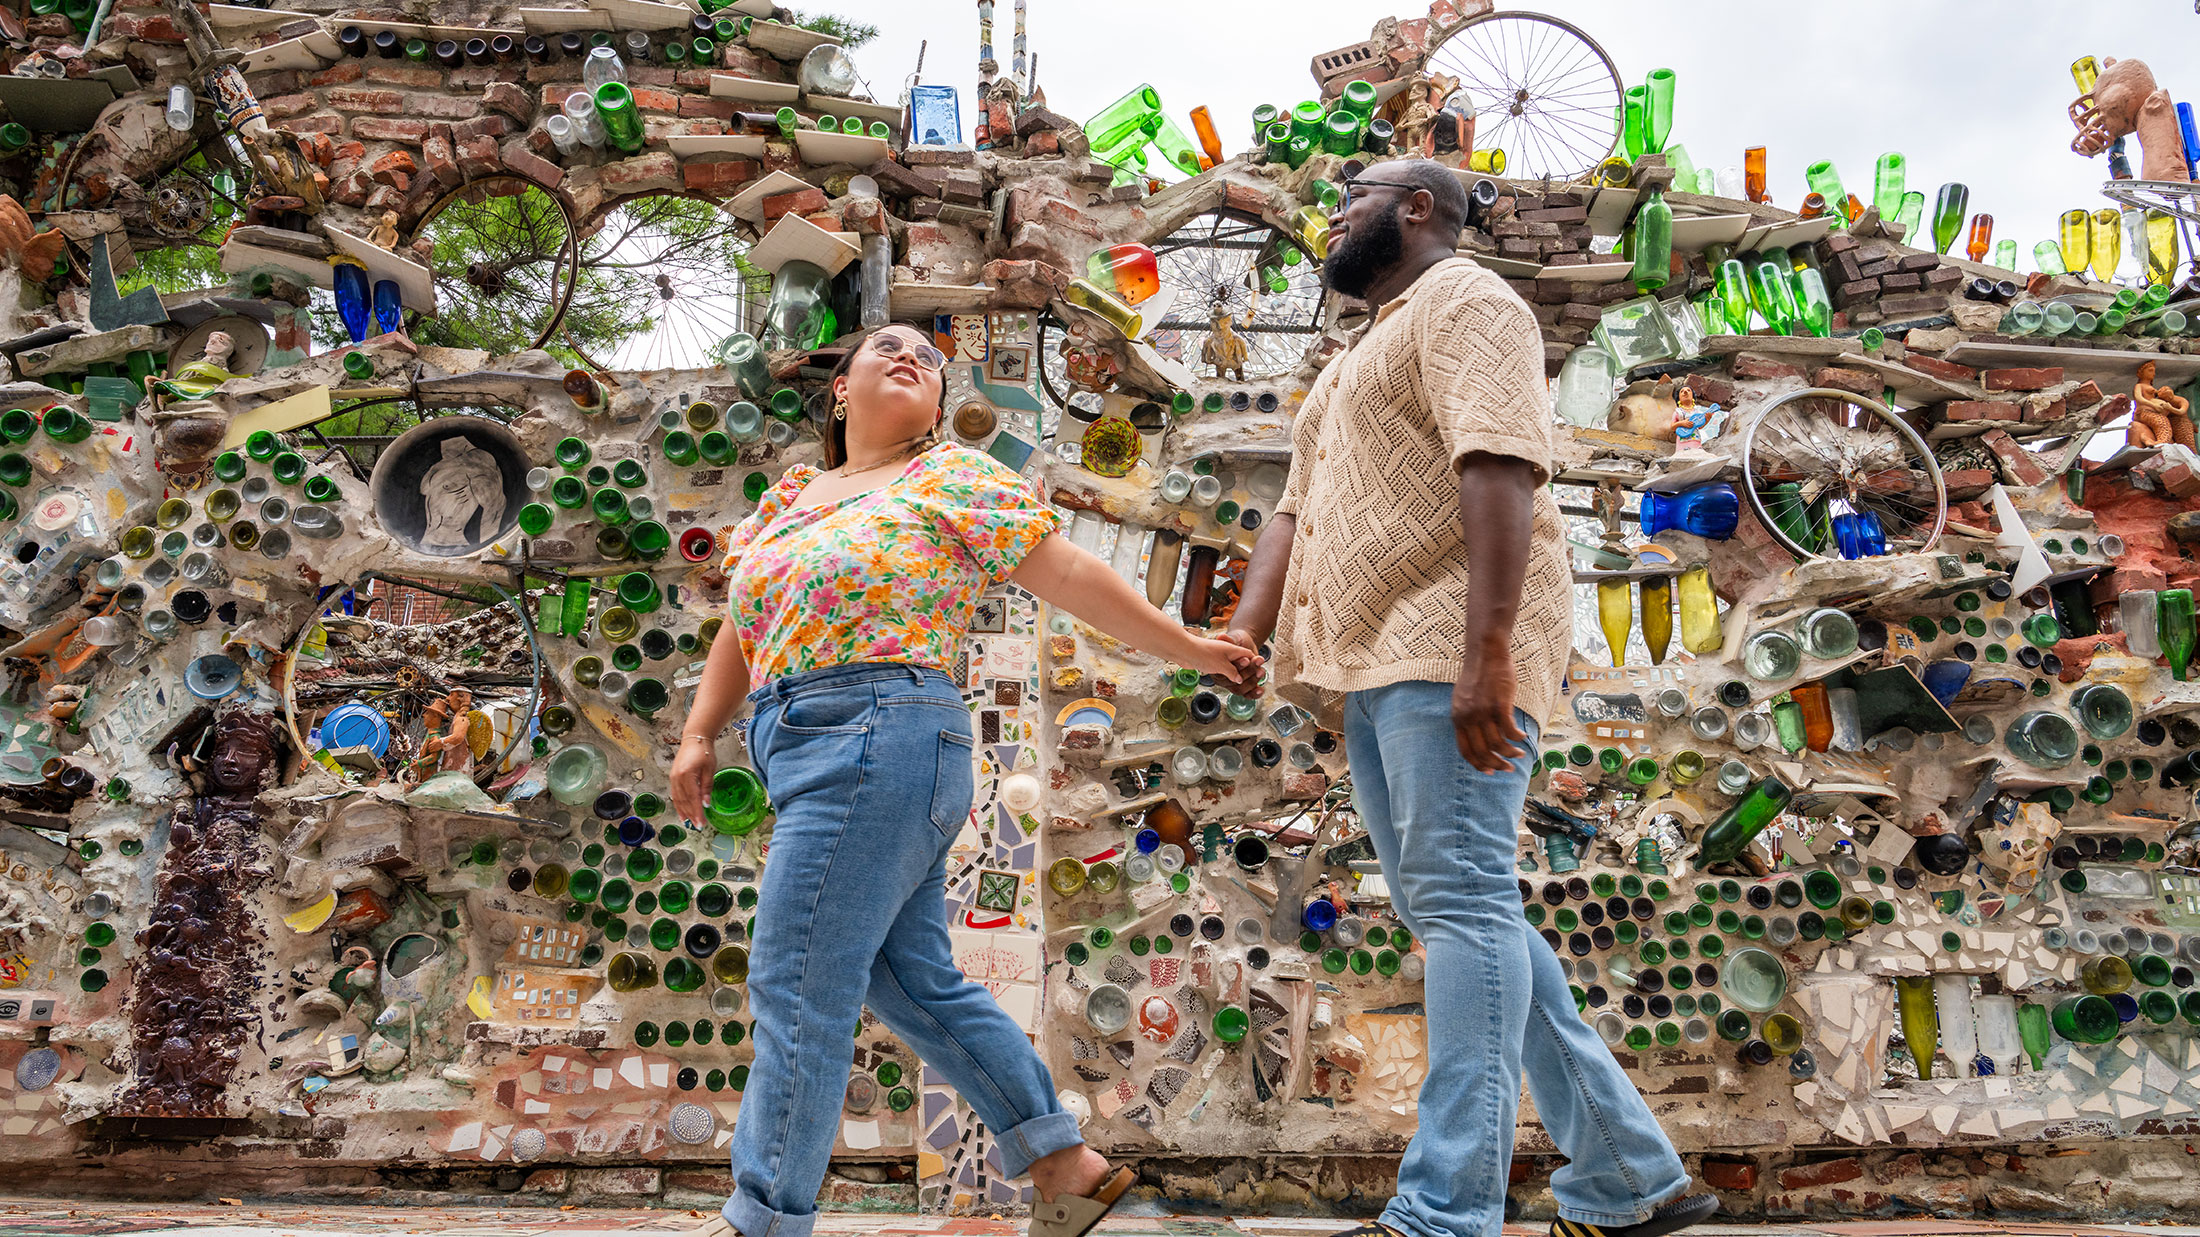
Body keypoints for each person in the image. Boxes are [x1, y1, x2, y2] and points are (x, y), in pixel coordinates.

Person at [671, 323, 1261, 1237]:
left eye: (929, 360)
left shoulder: (950, 475)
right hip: (798, 742)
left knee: (796, 981)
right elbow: (741, 623)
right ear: (839, 390)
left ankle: (761, 1220)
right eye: (887, 346)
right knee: (911, 981)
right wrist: (698, 731)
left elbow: (1069, 571)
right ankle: (1067, 1164)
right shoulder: (792, 494)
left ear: (940, 404)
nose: (912, 356)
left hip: (884, 728)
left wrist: (1190, 646)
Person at [1217, 161, 1716, 1237]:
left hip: (1444, 637)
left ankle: (1444, 1209)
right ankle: (1630, 1176)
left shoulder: (1466, 298)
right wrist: (1242, 636)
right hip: (1364, 659)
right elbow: (1290, 516)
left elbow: (1501, 463)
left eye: (1360, 193)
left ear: (1417, 209)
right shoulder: (1352, 355)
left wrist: (1486, 649)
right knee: (1466, 908)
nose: (1337, 210)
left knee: (1460, 906)